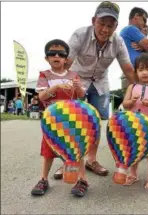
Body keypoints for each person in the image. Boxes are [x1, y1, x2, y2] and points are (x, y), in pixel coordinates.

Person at [53, 1, 136, 180]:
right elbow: (66, 62)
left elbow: (128, 70)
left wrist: (141, 91)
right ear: (93, 20)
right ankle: (68, 161)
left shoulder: (119, 42)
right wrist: (60, 84)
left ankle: (91, 160)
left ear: (116, 26)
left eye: (110, 25)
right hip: (77, 79)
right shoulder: (80, 35)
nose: (105, 30)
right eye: (102, 24)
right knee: (73, 121)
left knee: (96, 121)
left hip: (100, 82)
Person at [31, 39, 86, 197]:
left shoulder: (74, 75)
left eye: (61, 54)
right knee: (48, 152)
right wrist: (55, 87)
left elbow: (81, 96)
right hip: (52, 122)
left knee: (75, 151)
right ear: (46, 58)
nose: (56, 56)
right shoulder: (45, 75)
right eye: (52, 53)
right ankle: (43, 179)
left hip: (71, 121)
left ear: (66, 58)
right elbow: (41, 96)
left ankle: (80, 179)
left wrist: (77, 88)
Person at [122, 53, 148, 189]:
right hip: (134, 125)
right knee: (134, 150)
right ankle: (133, 174)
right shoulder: (132, 87)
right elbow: (125, 104)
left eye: (147, 69)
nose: (144, 73)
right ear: (136, 72)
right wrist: (132, 101)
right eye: (140, 70)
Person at [120, 7, 148, 89]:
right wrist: (145, 41)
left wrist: (143, 47)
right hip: (134, 74)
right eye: (144, 20)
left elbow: (147, 50)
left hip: (135, 73)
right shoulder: (130, 28)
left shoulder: (127, 31)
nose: (145, 24)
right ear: (136, 16)